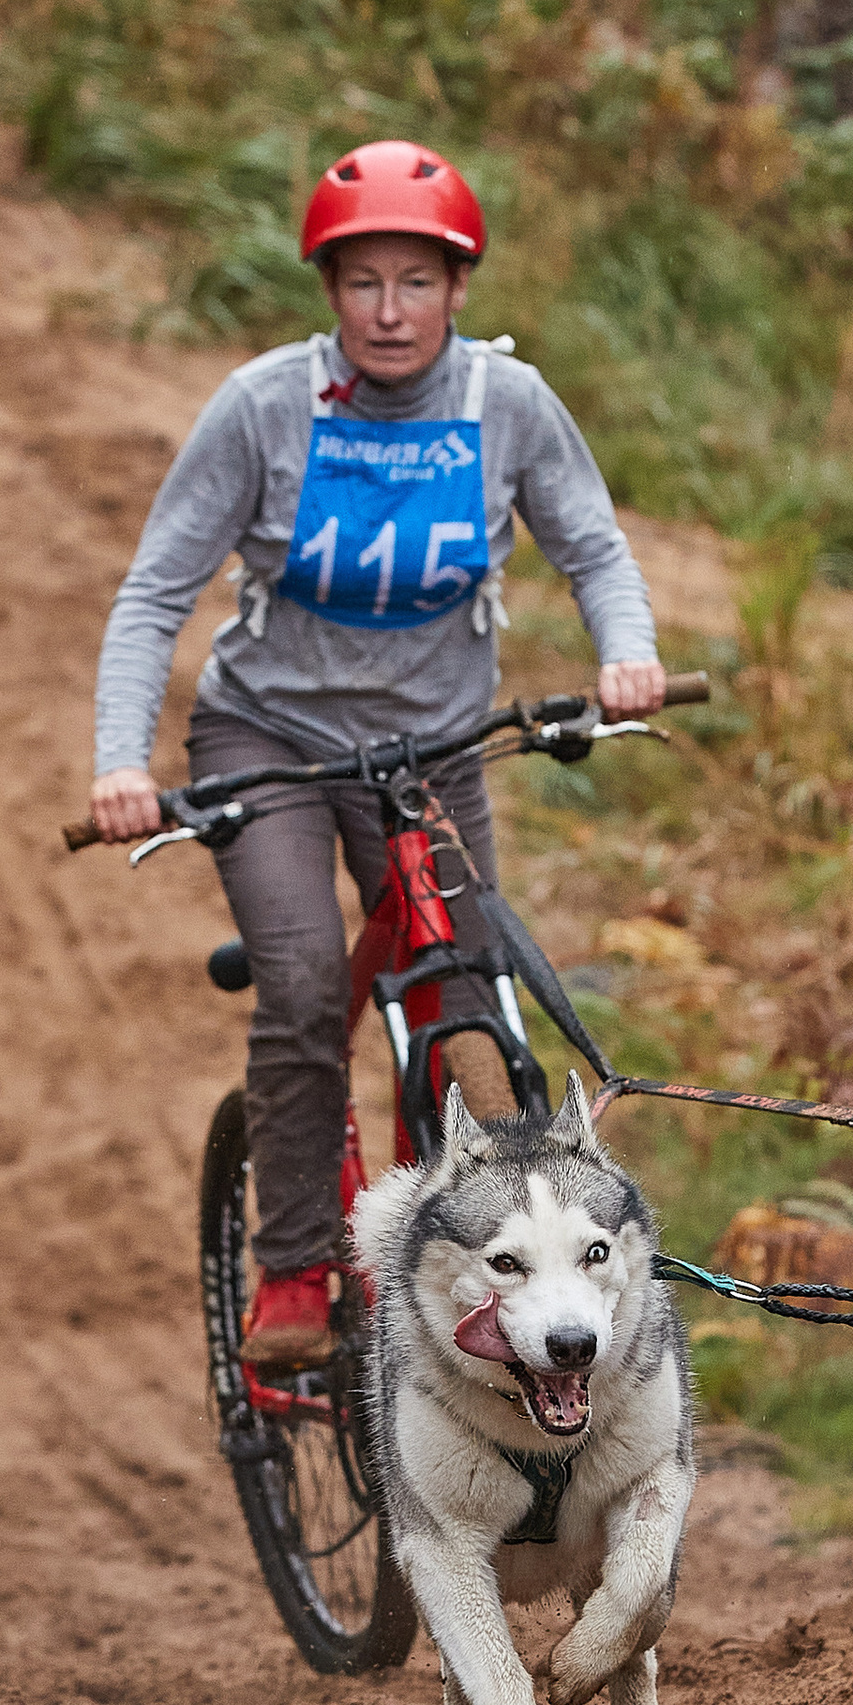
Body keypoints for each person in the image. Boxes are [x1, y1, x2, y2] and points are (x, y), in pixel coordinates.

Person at [89, 140, 665, 1367]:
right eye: (363, 283)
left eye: (415, 282)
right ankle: (297, 1267)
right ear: (329, 292)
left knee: (468, 998)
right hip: (273, 741)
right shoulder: (264, 408)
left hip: (434, 753)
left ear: (458, 287)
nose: (389, 311)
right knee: (304, 981)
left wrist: (628, 655)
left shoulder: (507, 405)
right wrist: (120, 764)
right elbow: (153, 595)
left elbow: (595, 550)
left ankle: (494, 1274)